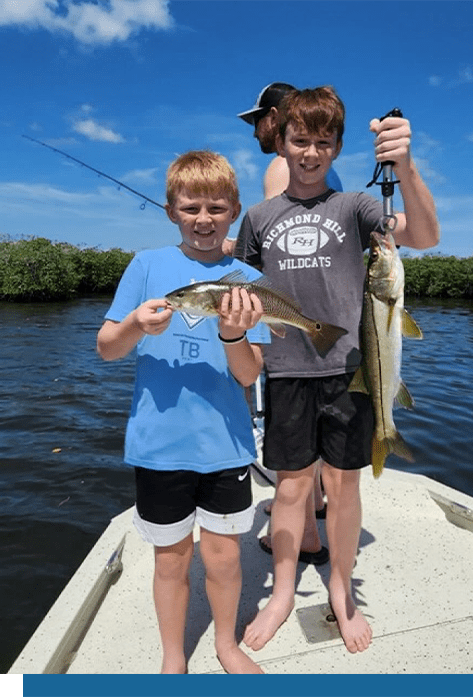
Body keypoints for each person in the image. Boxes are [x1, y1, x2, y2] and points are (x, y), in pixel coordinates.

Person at [235, 86, 440, 655]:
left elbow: (423, 236)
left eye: (323, 142)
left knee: (343, 485)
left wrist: (405, 165)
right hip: (285, 369)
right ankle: (281, 591)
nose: (310, 152)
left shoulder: (358, 208)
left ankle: (341, 588)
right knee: (293, 485)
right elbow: (243, 288)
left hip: (352, 367)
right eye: (300, 140)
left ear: (338, 146)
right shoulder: (258, 218)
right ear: (282, 141)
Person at [96, 150, 270, 675]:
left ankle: (226, 644)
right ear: (172, 210)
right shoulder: (146, 265)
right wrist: (132, 326)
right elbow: (107, 347)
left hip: (225, 445)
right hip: (158, 446)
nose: (203, 219)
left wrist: (234, 332)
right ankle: (174, 657)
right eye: (191, 207)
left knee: (223, 558)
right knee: (169, 561)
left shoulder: (248, 277)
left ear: (235, 210)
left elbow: (248, 375)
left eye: (216, 208)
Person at [235, 82, 345, 564]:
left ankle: (306, 537)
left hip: (290, 333)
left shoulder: (279, 166)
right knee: (316, 448)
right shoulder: (328, 173)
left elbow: (278, 255)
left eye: (259, 117)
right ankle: (315, 513)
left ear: (278, 117)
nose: (256, 128)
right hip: (329, 329)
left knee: (291, 449)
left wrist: (224, 253)